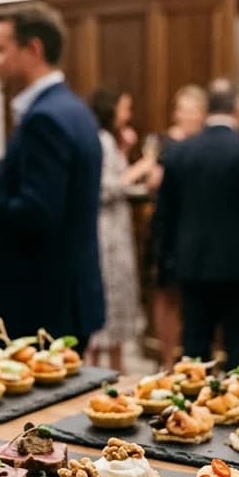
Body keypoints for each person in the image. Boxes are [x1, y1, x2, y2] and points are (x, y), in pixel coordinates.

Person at [0, 2, 104, 346]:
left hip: (39, 303)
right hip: (65, 294)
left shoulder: (44, 118)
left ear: (33, 49)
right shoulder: (72, 108)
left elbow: (37, 214)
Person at [157, 81, 239, 372]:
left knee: (195, 350)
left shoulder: (181, 151)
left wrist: (166, 262)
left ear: (207, 109)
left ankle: (192, 400)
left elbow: (165, 211)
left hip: (194, 262)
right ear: (238, 108)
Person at [88, 87, 156, 371]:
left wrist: (125, 151)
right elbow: (105, 187)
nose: (128, 114)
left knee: (116, 307)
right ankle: (95, 370)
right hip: (106, 234)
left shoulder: (109, 141)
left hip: (116, 229)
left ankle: (116, 370)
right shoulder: (101, 140)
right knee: (107, 300)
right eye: (125, 107)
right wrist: (143, 165)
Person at [148, 84, 208, 369]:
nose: (187, 116)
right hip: (169, 227)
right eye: (183, 110)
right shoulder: (166, 144)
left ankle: (192, 362)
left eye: (192, 110)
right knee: (166, 294)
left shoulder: (207, 144)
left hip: (199, 227)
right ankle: (167, 360)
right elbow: (153, 181)